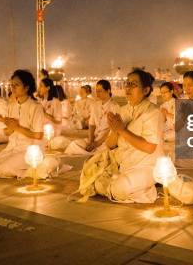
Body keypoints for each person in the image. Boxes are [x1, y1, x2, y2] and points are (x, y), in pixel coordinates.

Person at [78, 69, 164, 203]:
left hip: (146, 166)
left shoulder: (153, 112)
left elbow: (149, 148)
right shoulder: (123, 111)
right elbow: (111, 145)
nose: (128, 88)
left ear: (146, 90)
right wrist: (115, 130)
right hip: (124, 164)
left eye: (133, 84)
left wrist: (122, 130)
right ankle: (125, 186)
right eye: (127, 84)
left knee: (118, 188)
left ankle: (145, 186)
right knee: (90, 176)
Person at [0, 69, 56, 179]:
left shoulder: (35, 107)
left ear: (27, 87)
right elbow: (7, 132)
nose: (12, 88)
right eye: (12, 85)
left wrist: (17, 127)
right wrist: (9, 128)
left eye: (17, 85)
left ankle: (33, 167)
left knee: (4, 169)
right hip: (12, 147)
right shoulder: (11, 106)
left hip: (29, 148)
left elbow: (38, 135)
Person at [64, 80, 120, 155]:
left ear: (108, 91)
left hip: (106, 140)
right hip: (94, 138)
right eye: (96, 91)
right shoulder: (96, 105)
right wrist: (91, 141)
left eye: (100, 91)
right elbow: (92, 124)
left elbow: (111, 130)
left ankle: (91, 153)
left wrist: (97, 143)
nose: (97, 93)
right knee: (74, 145)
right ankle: (89, 152)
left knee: (102, 151)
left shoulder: (115, 107)